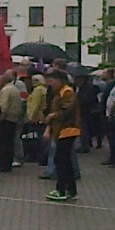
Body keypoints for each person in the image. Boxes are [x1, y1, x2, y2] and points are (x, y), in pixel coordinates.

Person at [44, 71, 82, 201]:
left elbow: (66, 111)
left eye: (52, 81)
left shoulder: (67, 92)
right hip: (60, 130)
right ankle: (70, 189)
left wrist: (53, 116)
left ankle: (62, 189)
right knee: (64, 160)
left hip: (68, 130)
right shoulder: (58, 93)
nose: (50, 84)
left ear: (60, 80)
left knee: (62, 160)